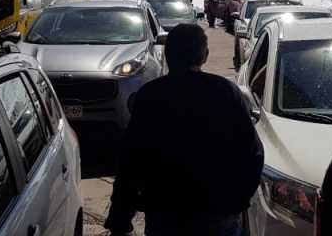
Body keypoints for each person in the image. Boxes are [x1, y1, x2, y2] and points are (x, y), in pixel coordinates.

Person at [105, 24, 264, 236]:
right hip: (217, 216)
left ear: (167, 55)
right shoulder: (225, 92)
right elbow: (252, 153)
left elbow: (131, 162)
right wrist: (238, 200)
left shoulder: (150, 96)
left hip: (165, 217)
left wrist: (120, 218)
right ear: (204, 56)